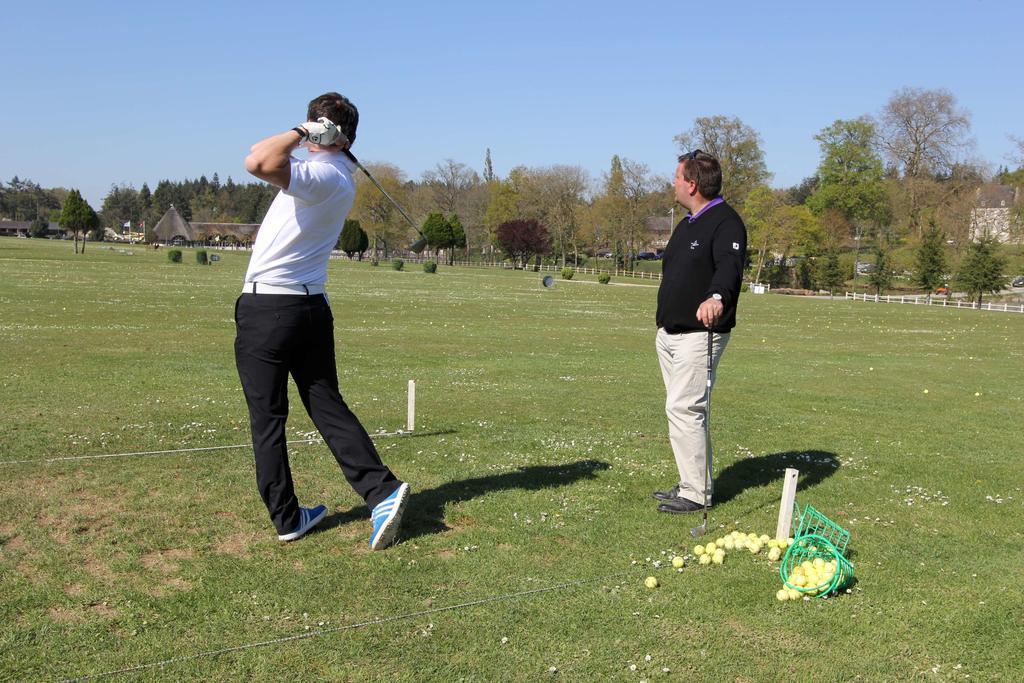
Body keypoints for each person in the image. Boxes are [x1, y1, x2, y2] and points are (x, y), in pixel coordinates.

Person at [235, 92, 410, 548]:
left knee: (267, 419)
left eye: (316, 124)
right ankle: (381, 490)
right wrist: (310, 131)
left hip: (270, 309)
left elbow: (255, 161)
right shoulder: (331, 175)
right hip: (307, 308)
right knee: (325, 403)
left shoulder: (322, 175)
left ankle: (289, 517)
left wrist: (300, 133)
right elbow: (258, 153)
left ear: (335, 134)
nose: (308, 129)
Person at [653, 150, 747, 514]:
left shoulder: (727, 223)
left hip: (700, 334)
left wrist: (716, 296)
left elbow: (729, 267)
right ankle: (692, 481)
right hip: (670, 335)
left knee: (683, 407)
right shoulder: (687, 223)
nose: (673, 183)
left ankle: (696, 494)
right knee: (684, 410)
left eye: (677, 177)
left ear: (692, 184)